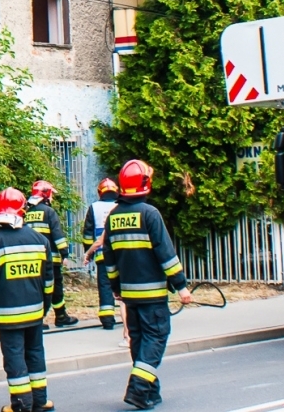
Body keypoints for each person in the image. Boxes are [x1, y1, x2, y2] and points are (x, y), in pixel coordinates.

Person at [106, 159, 191, 409]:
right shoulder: (149, 214)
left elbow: (109, 261)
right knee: (156, 337)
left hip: (129, 294)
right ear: (144, 183)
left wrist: (116, 288)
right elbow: (166, 254)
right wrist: (181, 286)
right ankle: (138, 388)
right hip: (153, 294)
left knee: (140, 340)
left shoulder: (113, 217)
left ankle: (150, 393)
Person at [0, 187, 54, 412]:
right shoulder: (40, 240)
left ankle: (21, 405)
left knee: (14, 358)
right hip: (35, 311)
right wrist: (46, 305)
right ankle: (40, 402)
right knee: (35, 354)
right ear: (23, 210)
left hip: (8, 314)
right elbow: (48, 279)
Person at [24, 179, 77, 327]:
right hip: (50, 260)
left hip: (32, 259)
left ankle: (38, 319)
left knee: (36, 289)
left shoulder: (27, 213)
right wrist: (65, 254)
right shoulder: (49, 212)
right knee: (55, 287)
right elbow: (57, 235)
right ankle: (60, 316)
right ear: (46, 195)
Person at [81, 176, 120, 329]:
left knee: (105, 285)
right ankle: (130, 318)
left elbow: (88, 234)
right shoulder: (121, 206)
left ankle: (107, 319)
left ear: (100, 192)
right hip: (121, 255)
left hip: (102, 255)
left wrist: (88, 253)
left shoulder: (94, 207)